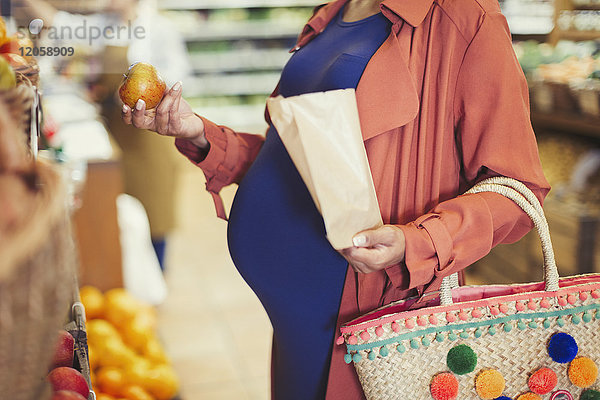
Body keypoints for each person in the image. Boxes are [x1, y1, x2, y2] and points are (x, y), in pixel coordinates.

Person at [123, 0, 550, 398]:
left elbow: (518, 187)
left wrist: (419, 242)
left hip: (365, 323)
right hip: (294, 319)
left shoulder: (464, 19)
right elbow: (294, 162)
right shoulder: (334, 11)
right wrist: (199, 132)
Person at [15, 0, 192, 269]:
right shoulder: (105, 26)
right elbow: (60, 22)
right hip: (117, 128)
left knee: (155, 210)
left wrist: (147, 88)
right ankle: (134, 276)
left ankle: (157, 274)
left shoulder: (159, 28)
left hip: (150, 139)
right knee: (125, 214)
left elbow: (182, 76)